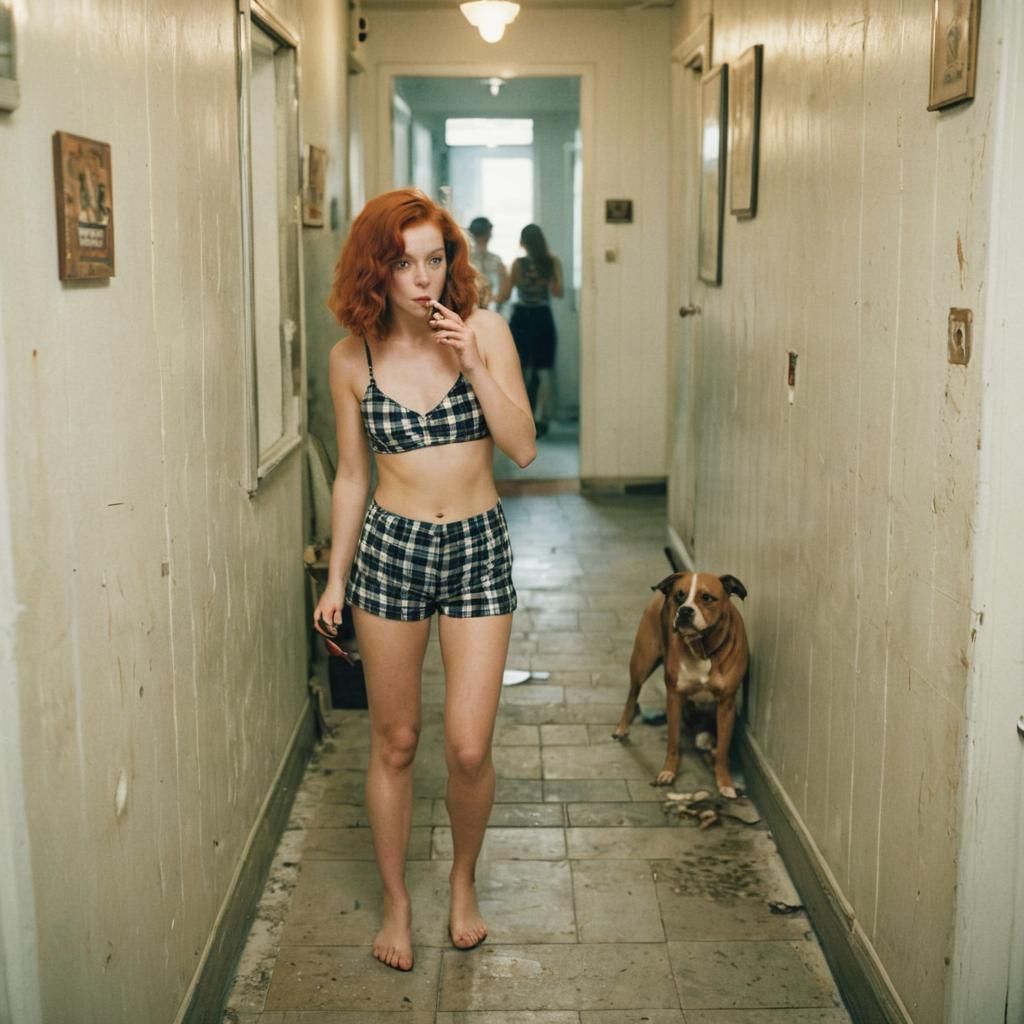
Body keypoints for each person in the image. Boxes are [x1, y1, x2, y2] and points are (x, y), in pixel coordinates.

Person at [313, 189, 536, 973]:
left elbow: (524, 448)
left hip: (478, 546)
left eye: (435, 260)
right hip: (392, 551)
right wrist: (336, 579)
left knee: (469, 748)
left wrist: (472, 363)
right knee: (396, 741)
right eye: (404, 263)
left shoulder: (486, 332)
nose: (422, 279)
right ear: (377, 267)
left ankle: (463, 884)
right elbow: (348, 475)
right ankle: (397, 901)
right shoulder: (351, 357)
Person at [498, 224, 563, 435]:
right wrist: (546, 279)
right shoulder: (552, 262)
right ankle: (540, 417)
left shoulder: (518, 264)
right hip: (543, 316)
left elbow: (506, 294)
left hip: (522, 318)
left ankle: (523, 416)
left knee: (520, 369)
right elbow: (558, 291)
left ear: (523, 242)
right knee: (544, 369)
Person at [466, 215, 509, 311]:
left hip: (471, 308)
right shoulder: (496, 260)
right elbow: (504, 293)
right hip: (489, 309)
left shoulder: (466, 258)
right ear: (489, 234)